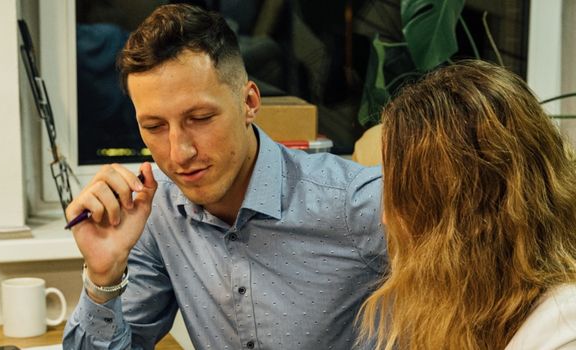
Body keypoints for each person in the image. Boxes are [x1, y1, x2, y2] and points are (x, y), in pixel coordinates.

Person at [62, 4, 385, 349]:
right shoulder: (156, 207)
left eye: (200, 118)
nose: (179, 153)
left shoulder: (357, 202)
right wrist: (103, 277)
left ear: (249, 102)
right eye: (155, 127)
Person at [358, 60, 576, 349]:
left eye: (399, 196)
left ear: (462, 215)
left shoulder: (561, 331)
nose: (385, 217)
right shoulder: (485, 308)